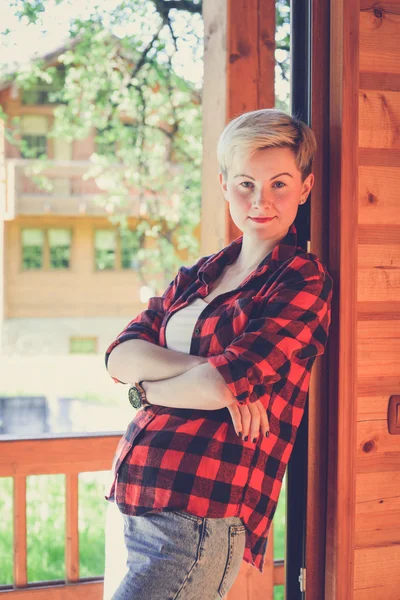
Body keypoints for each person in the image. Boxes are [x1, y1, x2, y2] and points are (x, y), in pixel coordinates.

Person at [103, 108, 333, 600]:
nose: (261, 201)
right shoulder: (198, 274)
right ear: (225, 184)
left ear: (306, 188)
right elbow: (120, 356)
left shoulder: (301, 280)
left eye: (279, 184)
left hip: (201, 514)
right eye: (247, 183)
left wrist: (157, 390)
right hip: (138, 495)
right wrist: (206, 375)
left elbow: (216, 385)